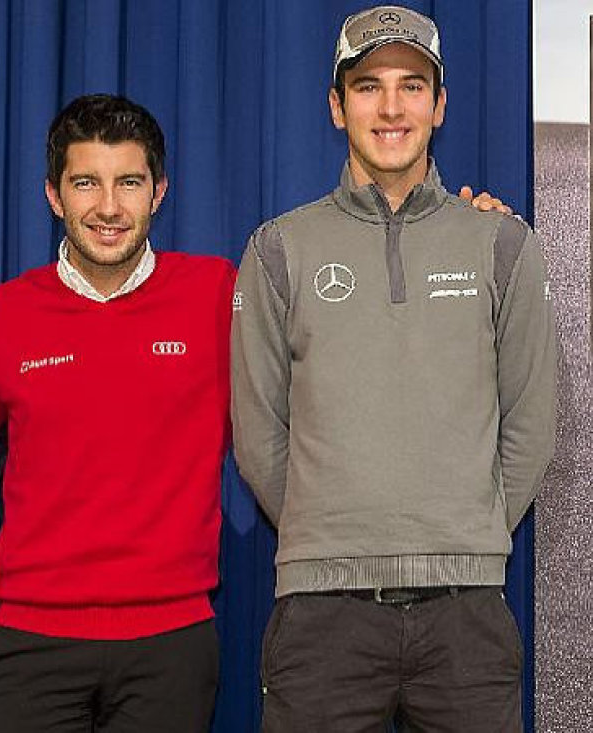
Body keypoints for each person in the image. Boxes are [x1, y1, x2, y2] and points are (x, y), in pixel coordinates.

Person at [231, 6, 557, 732]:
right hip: (321, 619)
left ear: (439, 105)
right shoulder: (279, 249)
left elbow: (531, 423)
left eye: (412, 85)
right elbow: (258, 434)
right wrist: (334, 530)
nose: (390, 107)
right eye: (369, 85)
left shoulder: (502, 244)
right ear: (336, 105)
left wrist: (462, 531)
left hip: (466, 617)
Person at [0, 94, 234, 732]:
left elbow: (329, 345)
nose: (107, 207)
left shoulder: (217, 294)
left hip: (173, 643)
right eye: (85, 183)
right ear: (53, 195)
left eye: (128, 182)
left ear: (159, 191)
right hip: (31, 643)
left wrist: (450, 229)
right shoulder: (5, 315)